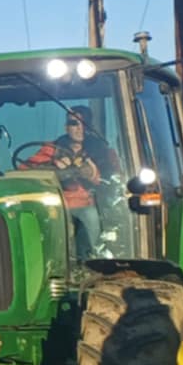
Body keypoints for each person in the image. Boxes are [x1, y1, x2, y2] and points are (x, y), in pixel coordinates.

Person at [19, 105, 118, 256]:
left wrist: (92, 173)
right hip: (56, 206)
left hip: (90, 206)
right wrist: (53, 167)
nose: (80, 129)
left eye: (84, 124)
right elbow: (25, 169)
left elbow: (115, 180)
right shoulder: (52, 149)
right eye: (74, 123)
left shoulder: (103, 152)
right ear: (66, 127)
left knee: (89, 217)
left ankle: (90, 260)